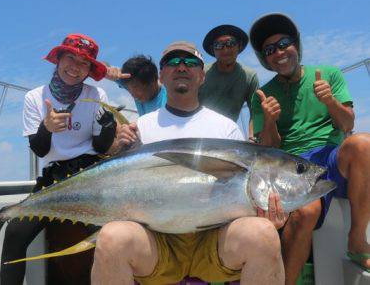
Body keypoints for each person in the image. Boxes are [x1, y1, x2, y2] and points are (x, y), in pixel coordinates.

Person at [91, 41, 287, 285]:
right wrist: (116, 148)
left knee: (264, 233)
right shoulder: (141, 127)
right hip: (157, 242)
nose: (181, 67)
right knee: (112, 237)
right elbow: (119, 184)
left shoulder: (225, 128)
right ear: (162, 75)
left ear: (202, 76)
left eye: (191, 63)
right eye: (172, 63)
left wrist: (266, 216)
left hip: (214, 242)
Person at [249, 13, 370, 283]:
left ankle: (357, 240)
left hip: (331, 156)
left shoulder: (329, 75)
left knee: (363, 143)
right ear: (264, 59)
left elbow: (347, 123)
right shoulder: (263, 96)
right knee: (306, 211)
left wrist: (330, 102)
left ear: (297, 45)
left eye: (284, 43)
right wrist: (269, 121)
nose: (279, 52)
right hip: (293, 165)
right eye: (270, 50)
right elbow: (269, 148)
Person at [1, 33, 117, 284]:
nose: (75, 67)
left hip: (91, 174)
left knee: (111, 237)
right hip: (54, 178)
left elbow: (100, 146)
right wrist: (47, 127)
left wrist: (108, 129)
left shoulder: (97, 96)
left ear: (89, 70)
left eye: (83, 63)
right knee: (15, 231)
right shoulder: (35, 97)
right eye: (71, 58)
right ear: (59, 59)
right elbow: (40, 150)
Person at [199, 24, 259, 139]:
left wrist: (252, 138)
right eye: (218, 45)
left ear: (239, 46)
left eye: (230, 43)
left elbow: (255, 112)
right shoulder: (201, 74)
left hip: (227, 134)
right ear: (213, 50)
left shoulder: (249, 76)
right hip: (199, 132)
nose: (225, 49)